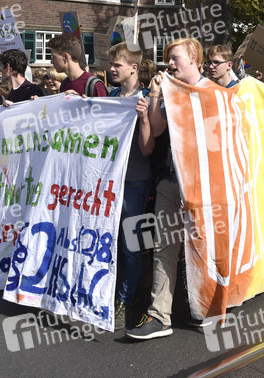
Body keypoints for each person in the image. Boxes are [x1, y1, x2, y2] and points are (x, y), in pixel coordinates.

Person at [127, 37, 209, 340]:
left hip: (201, 185)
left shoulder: (213, 93)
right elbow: (158, 128)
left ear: (194, 59)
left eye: (175, 58)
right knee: (164, 248)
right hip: (170, 181)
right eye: (168, 59)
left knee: (202, 246)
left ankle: (207, 307)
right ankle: (160, 316)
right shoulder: (169, 92)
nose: (170, 64)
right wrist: (156, 95)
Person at [106, 43, 155, 330]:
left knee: (131, 244)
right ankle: (114, 291)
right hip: (111, 179)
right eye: (111, 64)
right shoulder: (112, 96)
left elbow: (147, 149)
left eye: (117, 65)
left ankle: (126, 299)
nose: (112, 69)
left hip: (135, 180)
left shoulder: (146, 99)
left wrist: (144, 118)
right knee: (112, 240)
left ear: (133, 68)